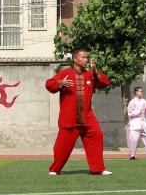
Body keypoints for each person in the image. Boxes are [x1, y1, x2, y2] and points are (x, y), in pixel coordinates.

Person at [45, 47, 112, 175]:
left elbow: (105, 84)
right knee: (62, 147)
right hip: (69, 118)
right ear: (75, 59)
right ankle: (54, 169)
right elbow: (49, 84)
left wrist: (96, 71)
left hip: (87, 117)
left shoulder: (90, 74)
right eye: (83, 57)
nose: (86, 60)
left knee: (97, 136)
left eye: (87, 58)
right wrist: (60, 83)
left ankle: (98, 169)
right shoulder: (66, 73)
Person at [126, 86, 146, 160]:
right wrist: (137, 112)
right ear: (136, 92)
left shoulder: (144, 101)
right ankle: (132, 155)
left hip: (143, 122)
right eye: (140, 91)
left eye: (142, 91)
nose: (141, 92)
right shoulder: (132, 102)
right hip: (135, 122)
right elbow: (129, 113)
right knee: (134, 140)